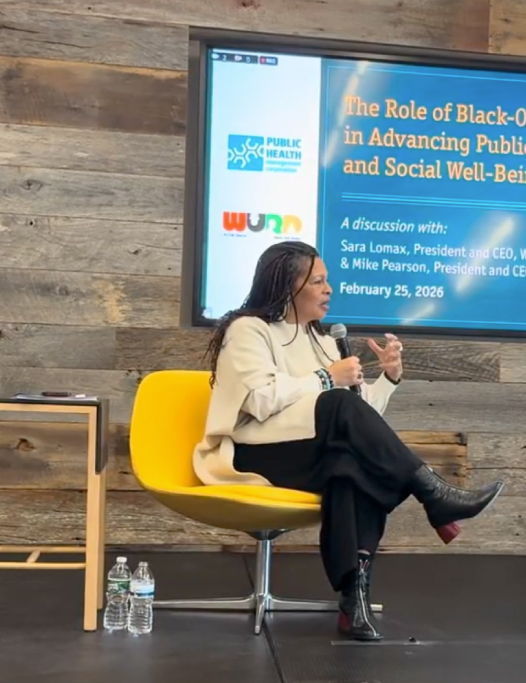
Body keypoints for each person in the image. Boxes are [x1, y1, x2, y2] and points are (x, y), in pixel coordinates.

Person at [192, 241, 504, 642]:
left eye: (327, 281)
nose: (329, 289)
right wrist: (326, 378)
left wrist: (387, 379)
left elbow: (360, 418)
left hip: (310, 452)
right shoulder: (248, 330)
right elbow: (259, 400)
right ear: (289, 287)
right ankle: (431, 494)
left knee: (350, 463)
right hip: (255, 455)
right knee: (342, 423)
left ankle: (354, 602)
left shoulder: (322, 340)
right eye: (318, 281)